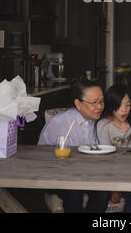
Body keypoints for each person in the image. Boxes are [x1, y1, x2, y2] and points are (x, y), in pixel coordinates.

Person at [38, 76, 110, 213]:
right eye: (94, 102)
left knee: (103, 194)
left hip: (87, 175)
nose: (100, 106)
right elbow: (40, 154)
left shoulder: (99, 122)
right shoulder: (59, 122)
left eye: (101, 101)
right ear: (78, 104)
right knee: (74, 195)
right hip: (59, 175)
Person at [97, 83, 131, 213]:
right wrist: (115, 189)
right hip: (112, 171)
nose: (124, 110)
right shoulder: (104, 125)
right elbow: (105, 159)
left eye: (128, 105)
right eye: (118, 106)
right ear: (110, 105)